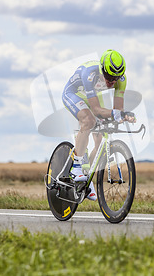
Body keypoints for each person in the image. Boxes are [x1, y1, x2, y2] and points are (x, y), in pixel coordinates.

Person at [61, 49, 136, 200]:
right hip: (73, 94)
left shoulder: (121, 81)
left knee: (100, 137)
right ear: (102, 70)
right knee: (89, 120)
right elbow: (96, 109)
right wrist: (115, 113)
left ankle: (86, 176)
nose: (112, 82)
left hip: (91, 97)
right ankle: (76, 166)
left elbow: (117, 111)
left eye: (116, 78)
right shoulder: (90, 74)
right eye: (109, 77)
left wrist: (124, 115)